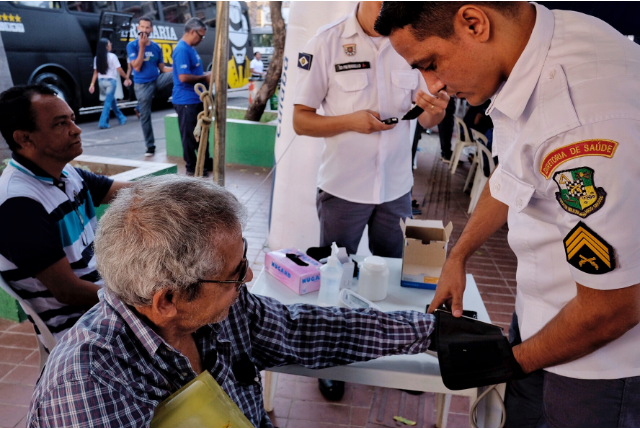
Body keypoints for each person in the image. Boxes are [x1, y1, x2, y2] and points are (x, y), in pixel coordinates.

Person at [376, 2, 640, 427]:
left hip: (599, 366)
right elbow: (514, 173)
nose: (434, 85)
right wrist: (458, 257)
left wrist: (507, 363)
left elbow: (612, 309)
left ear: (474, 22)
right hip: (544, 322)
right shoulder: (535, 47)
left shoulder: (583, 120)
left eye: (431, 63)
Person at [27, 174, 436, 427]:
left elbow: (306, 330)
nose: (250, 276)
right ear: (167, 299)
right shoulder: (88, 384)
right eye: (236, 271)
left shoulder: (220, 310)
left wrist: (431, 331)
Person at [292, 1, 449, 260]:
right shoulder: (326, 42)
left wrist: (436, 110)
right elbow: (301, 121)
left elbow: (426, 122)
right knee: (335, 272)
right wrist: (351, 122)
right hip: (344, 189)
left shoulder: (413, 40)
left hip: (396, 189)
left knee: (391, 274)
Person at [0, 84, 130, 341]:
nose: (76, 129)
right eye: (61, 124)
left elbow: (128, 192)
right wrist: (135, 304)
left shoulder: (67, 174)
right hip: (82, 326)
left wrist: (182, 191)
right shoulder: (18, 205)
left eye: (72, 119)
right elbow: (67, 292)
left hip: (105, 297)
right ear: (24, 138)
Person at [126, 18, 173, 157]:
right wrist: (142, 46)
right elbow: (137, 66)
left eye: (147, 28)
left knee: (177, 75)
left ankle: (180, 102)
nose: (144, 30)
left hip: (157, 80)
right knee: (145, 117)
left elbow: (163, 68)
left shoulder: (156, 47)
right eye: (142, 27)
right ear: (138, 28)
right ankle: (150, 147)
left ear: (151, 29)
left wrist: (176, 69)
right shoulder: (132, 45)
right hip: (142, 85)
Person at [172, 18, 212, 176]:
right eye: (200, 36)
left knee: (202, 135)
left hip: (196, 99)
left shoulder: (191, 48)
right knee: (189, 136)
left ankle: (204, 162)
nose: (201, 40)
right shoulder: (182, 49)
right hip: (185, 100)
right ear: (191, 32)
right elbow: (183, 77)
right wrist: (204, 77)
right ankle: (192, 167)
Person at [89, 38, 127, 130]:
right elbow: (119, 69)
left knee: (112, 101)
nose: (111, 45)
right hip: (110, 82)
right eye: (110, 44)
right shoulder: (112, 56)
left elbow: (95, 72)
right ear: (106, 47)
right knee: (108, 103)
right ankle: (103, 122)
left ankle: (121, 118)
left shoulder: (97, 58)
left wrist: (92, 84)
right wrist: (126, 78)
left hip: (101, 82)